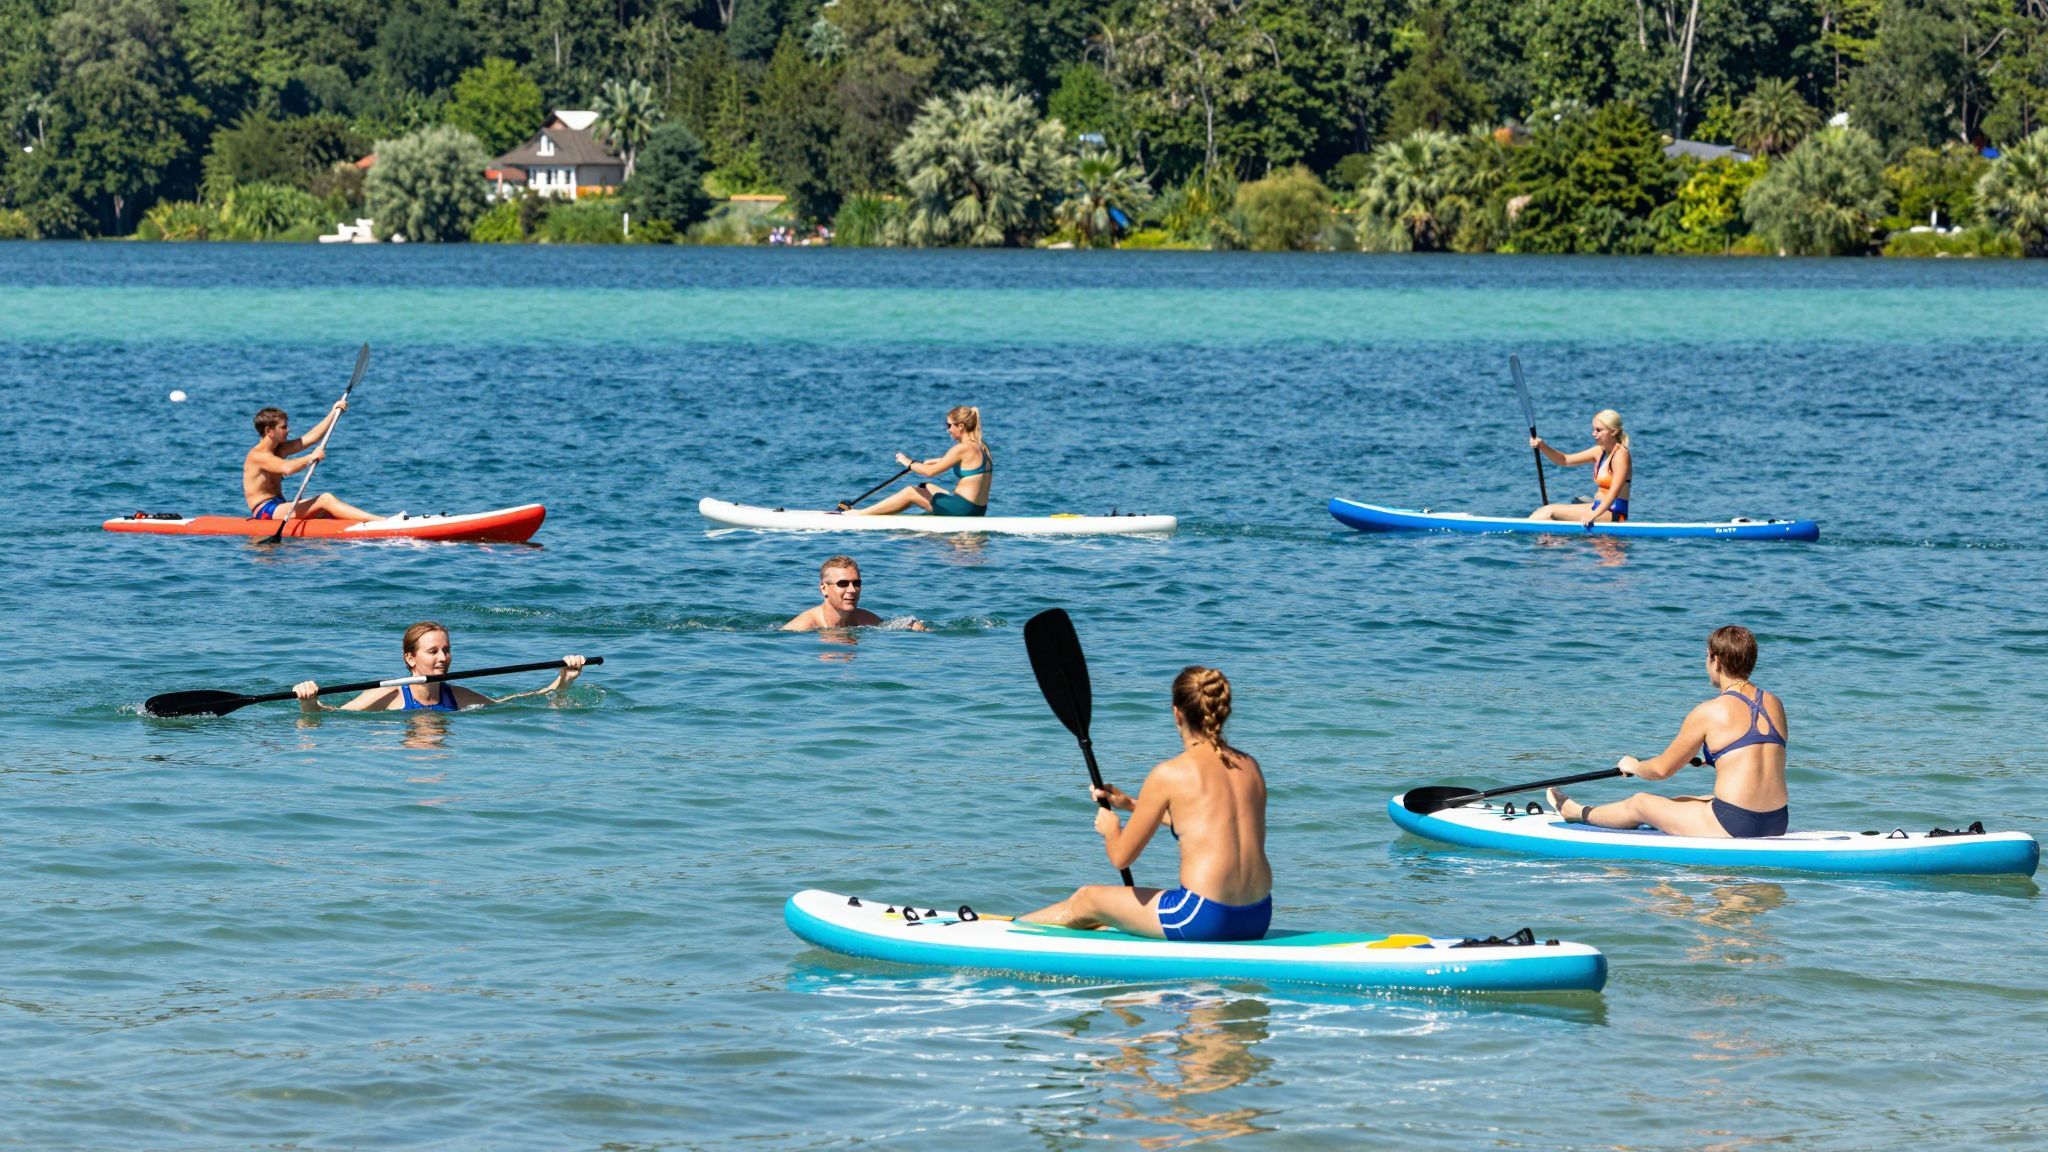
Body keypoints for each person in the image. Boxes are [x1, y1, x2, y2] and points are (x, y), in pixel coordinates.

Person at [1023, 666, 1272, 941]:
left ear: (1177, 713)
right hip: (1257, 916)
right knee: (1105, 913)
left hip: (1201, 918)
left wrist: (1111, 828)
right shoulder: (1250, 766)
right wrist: (1130, 804)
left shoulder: (1170, 773)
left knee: (1087, 899)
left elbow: (1121, 857)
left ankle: (1008, 931)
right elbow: (1208, 825)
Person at [1548, 625, 1790, 838]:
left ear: (1715, 660)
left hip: (1735, 826)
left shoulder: (1709, 711)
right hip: (1776, 821)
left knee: (1641, 803)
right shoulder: (1774, 703)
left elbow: (1661, 770)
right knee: (1685, 801)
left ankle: (1577, 812)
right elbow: (1755, 753)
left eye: (1707, 657)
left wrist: (1633, 766)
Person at [294, 622, 587, 711]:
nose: (442, 658)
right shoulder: (390, 694)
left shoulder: (456, 696)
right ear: (410, 658)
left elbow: (514, 704)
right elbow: (335, 717)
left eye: (446, 650)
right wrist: (310, 703)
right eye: (432, 651)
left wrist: (564, 680)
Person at [244, 402, 379, 521]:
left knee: (326, 510)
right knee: (325, 499)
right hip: (265, 510)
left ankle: (364, 524)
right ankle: (381, 521)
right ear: (269, 431)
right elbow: (287, 468)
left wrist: (334, 413)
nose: (288, 430)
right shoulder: (257, 455)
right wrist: (311, 457)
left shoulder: (280, 449)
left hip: (280, 505)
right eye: (283, 427)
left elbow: (311, 438)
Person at [847, 406, 992, 517]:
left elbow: (930, 472)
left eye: (949, 426)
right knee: (925, 487)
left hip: (964, 509)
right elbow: (958, 461)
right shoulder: (981, 446)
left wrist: (908, 463)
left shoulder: (962, 448)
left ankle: (861, 514)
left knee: (910, 492)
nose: (948, 430)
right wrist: (930, 461)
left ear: (961, 426)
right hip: (978, 509)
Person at [1527, 409, 1631, 524]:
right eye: (1593, 429)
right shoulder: (1600, 452)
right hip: (1599, 506)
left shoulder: (1621, 455)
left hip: (1614, 512)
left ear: (1613, 432)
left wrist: (1593, 514)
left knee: (1549, 511)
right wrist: (1542, 446)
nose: (1593, 434)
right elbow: (1564, 460)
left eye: (1599, 430)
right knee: (1551, 512)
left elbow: (1613, 493)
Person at [783, 556, 927, 631]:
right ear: (824, 588)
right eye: (843, 584)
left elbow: (891, 627)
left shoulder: (863, 618)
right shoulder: (803, 627)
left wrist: (913, 626)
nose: (852, 590)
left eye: (856, 583)